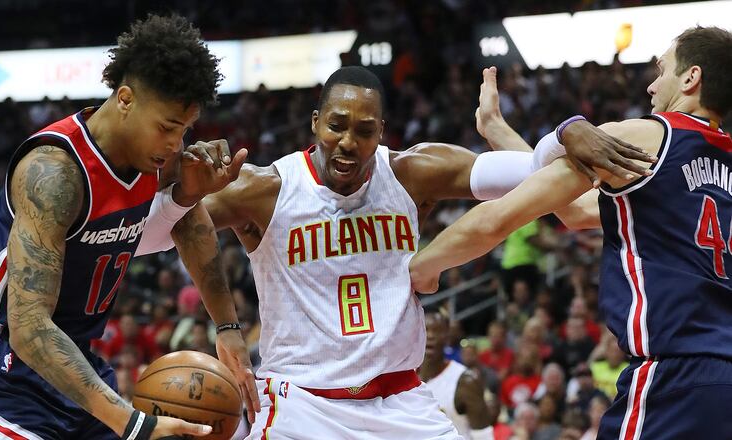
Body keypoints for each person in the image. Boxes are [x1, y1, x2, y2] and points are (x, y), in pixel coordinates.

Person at [190, 64, 647, 439]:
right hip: (301, 406)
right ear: (315, 122)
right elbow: (174, 221)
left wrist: (565, 132)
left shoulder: (413, 173)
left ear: (382, 132)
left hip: (402, 404)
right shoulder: (266, 188)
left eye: (364, 131)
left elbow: (526, 169)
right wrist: (227, 323)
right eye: (336, 126)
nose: (348, 142)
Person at [410, 26, 732, 438]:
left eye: (662, 69)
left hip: (673, 375)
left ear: (691, 78)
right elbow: (577, 212)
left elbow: (499, 218)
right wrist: (498, 132)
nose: (652, 85)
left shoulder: (650, 138)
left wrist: (418, 268)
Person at [0, 14, 258, 440]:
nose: (175, 143)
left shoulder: (162, 156)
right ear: (126, 99)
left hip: (83, 368)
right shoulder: (55, 172)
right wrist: (133, 423)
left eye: (184, 130)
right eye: (167, 127)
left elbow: (188, 223)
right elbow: (29, 327)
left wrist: (227, 327)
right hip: (9, 373)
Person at [420, 311, 494, 440]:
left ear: (448, 336)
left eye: (437, 331)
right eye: (425, 329)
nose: (430, 336)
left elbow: (484, 436)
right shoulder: (403, 376)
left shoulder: (466, 380)